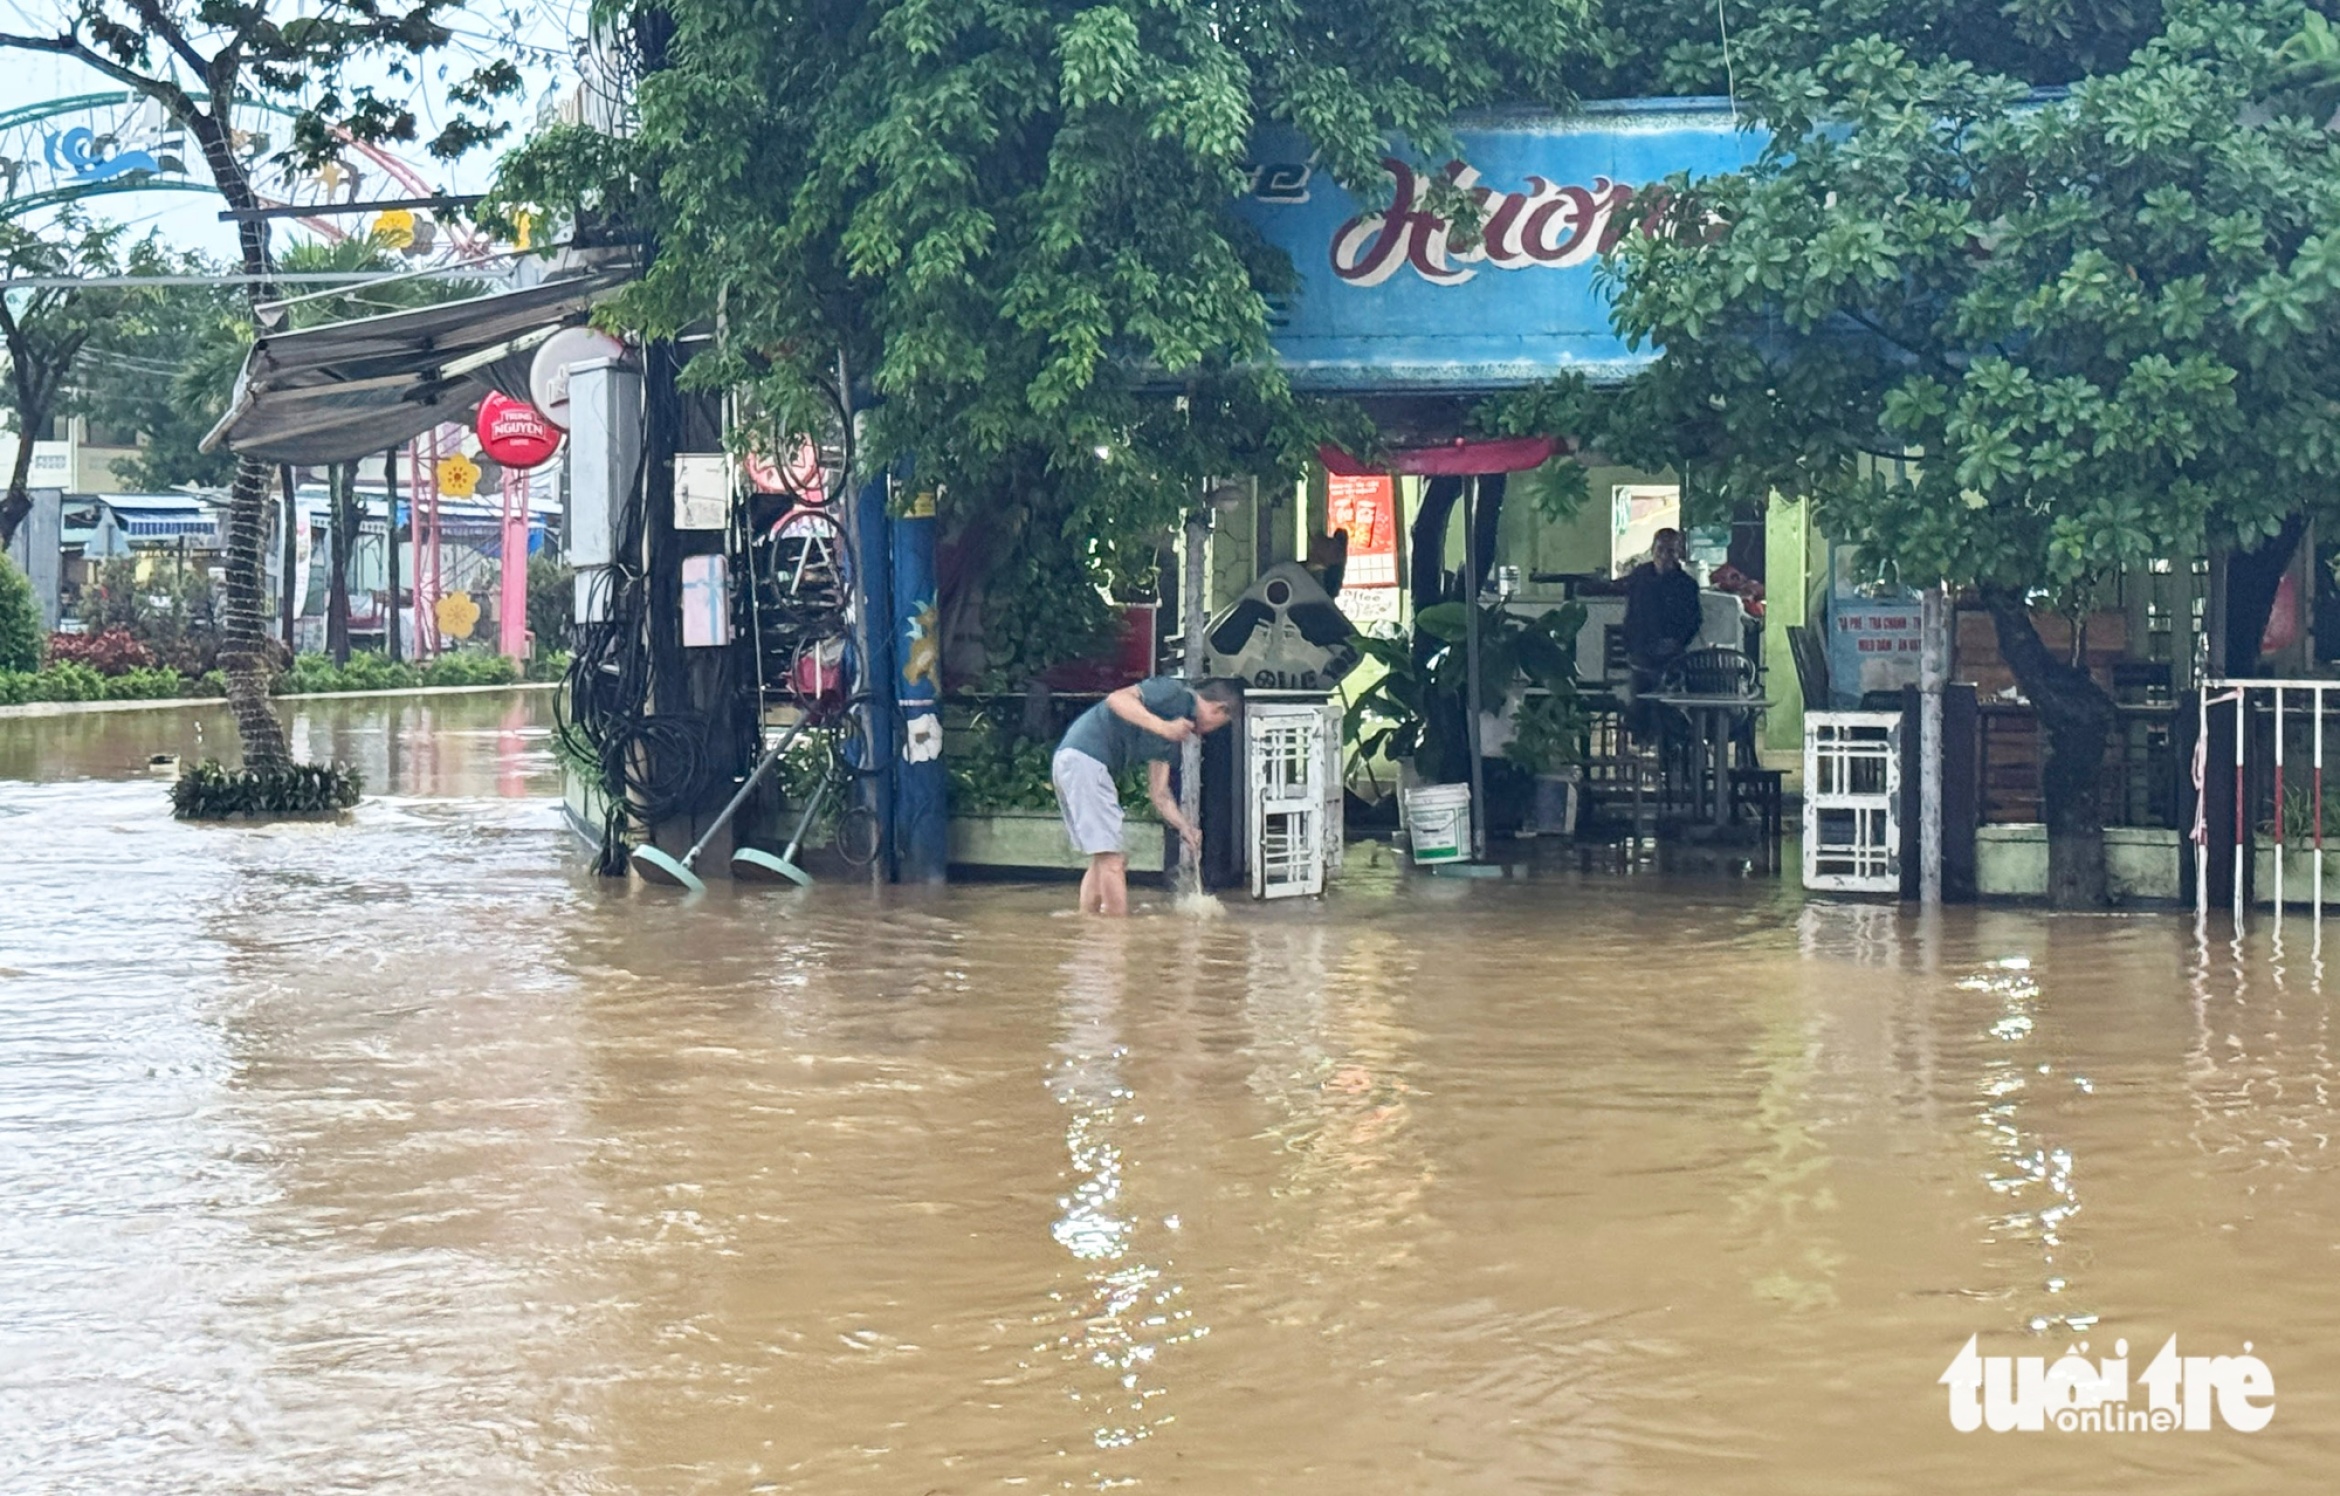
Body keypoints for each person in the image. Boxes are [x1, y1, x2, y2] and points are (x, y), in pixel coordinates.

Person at [1051, 675, 1239, 915]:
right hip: (1085, 761)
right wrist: (1163, 727)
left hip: (1075, 763)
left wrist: (1185, 827)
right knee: (1113, 862)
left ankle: (1091, 927)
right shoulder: (1174, 691)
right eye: (1218, 725)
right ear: (1218, 709)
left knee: (1104, 859)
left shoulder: (1175, 732)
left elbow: (1159, 793)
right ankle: (1117, 936)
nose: (1204, 735)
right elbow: (1117, 699)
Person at [1621, 527, 1704, 737]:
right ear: (1653, 550)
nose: (1665, 556)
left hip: (1672, 654)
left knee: (1670, 702)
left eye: (1671, 551)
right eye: (1660, 550)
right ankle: (1642, 739)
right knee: (1639, 700)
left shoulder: (1687, 585)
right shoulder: (1640, 577)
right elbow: (1632, 616)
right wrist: (1633, 645)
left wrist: (1675, 642)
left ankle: (1669, 742)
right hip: (1642, 652)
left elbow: (1693, 621)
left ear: (1678, 554)